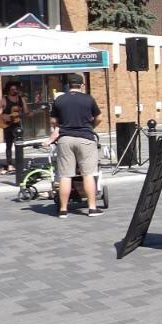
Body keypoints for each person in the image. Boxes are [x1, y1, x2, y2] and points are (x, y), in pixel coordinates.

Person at [47, 74, 103, 218]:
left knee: (65, 175)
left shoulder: (59, 100)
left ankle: (63, 210)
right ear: (82, 85)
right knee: (88, 174)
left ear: (68, 86)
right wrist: (90, 126)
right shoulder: (88, 99)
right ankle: (92, 208)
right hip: (85, 138)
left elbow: (53, 120)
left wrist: (61, 127)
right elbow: (99, 117)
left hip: (65, 139)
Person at [0, 81, 27, 172]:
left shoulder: (21, 99)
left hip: (17, 124)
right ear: (8, 90)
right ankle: (9, 164)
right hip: (7, 125)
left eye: (16, 89)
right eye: (12, 89)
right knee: (9, 145)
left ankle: (19, 163)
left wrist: (30, 113)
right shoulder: (4, 100)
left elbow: (26, 112)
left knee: (19, 144)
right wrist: (3, 116)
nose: (14, 91)